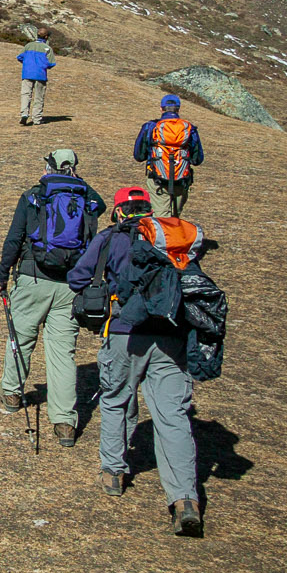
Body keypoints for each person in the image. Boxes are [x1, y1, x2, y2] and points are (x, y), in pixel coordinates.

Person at [69, 186, 204, 536]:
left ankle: (114, 473)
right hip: (172, 335)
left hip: (125, 333)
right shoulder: (171, 239)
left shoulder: (110, 238)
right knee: (173, 415)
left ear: (117, 212)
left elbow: (77, 278)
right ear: (148, 211)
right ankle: (185, 500)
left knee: (115, 399)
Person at [0, 148, 107, 445]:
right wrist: (75, 180)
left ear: (48, 166)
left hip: (33, 279)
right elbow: (102, 204)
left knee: (21, 337)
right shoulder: (86, 199)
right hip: (71, 286)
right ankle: (64, 423)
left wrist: (2, 275)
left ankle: (12, 393)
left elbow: (14, 238)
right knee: (62, 354)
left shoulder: (34, 195)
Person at [133, 94, 204, 217]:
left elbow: (139, 156)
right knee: (175, 217)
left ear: (161, 109)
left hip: (157, 178)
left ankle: (162, 235)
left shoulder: (150, 127)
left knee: (161, 216)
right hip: (182, 179)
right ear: (178, 109)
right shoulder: (189, 128)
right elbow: (197, 159)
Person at [17, 28, 54, 126]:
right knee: (39, 97)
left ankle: (24, 114)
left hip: (27, 73)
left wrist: (27, 63)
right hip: (40, 75)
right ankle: (37, 119)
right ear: (46, 37)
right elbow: (51, 63)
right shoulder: (47, 48)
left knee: (25, 94)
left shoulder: (28, 46)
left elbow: (19, 57)